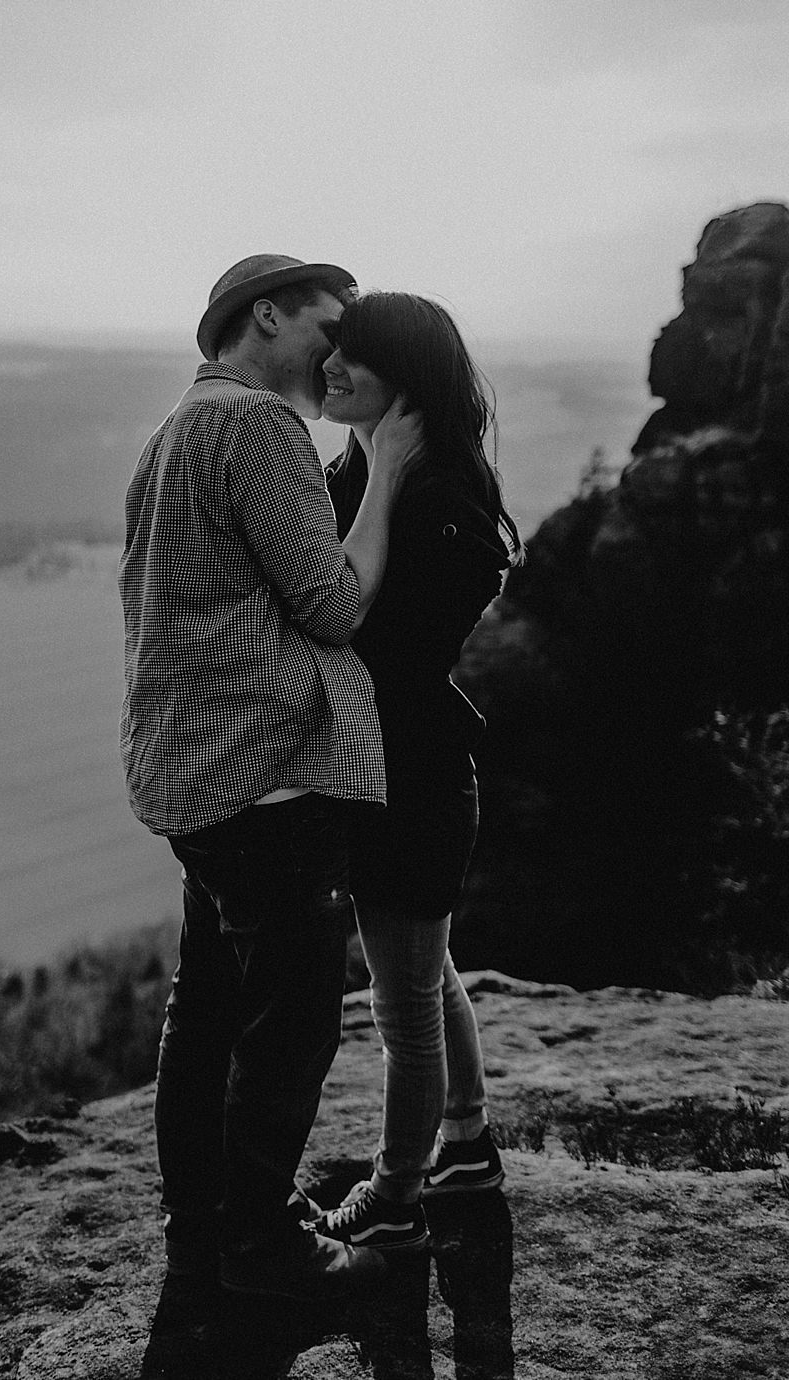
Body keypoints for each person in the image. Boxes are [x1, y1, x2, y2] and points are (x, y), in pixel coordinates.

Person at [120, 254, 414, 1300]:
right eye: (326, 325)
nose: (338, 347)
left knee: (205, 1012)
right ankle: (266, 1248)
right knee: (288, 1025)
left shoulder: (174, 431)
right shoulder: (254, 426)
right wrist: (382, 472)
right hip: (270, 779)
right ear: (267, 316)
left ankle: (201, 1219)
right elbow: (335, 605)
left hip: (196, 770)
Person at [302, 292, 519, 1253]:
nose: (332, 369)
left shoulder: (439, 507)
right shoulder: (360, 477)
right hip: (390, 769)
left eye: (358, 359)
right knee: (425, 972)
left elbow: (362, 631)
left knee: (403, 1006)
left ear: (411, 381)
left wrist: (385, 477)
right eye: (333, 352)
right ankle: (464, 1143)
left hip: (414, 778)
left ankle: (395, 1200)